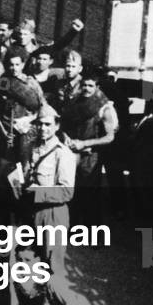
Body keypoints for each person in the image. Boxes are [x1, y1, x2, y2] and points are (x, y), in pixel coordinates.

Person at [20, 105, 76, 276]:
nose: (43, 128)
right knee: (30, 264)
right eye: (40, 124)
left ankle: (55, 293)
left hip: (53, 215)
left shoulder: (63, 153)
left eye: (48, 124)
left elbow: (67, 192)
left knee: (51, 268)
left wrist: (37, 192)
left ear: (57, 126)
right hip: (32, 211)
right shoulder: (31, 148)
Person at [58, 75, 117, 229]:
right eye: (84, 85)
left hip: (91, 156)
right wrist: (66, 138)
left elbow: (110, 137)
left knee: (90, 195)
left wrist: (85, 143)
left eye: (90, 86)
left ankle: (93, 232)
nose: (86, 88)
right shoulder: (74, 103)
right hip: (72, 152)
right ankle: (73, 228)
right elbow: (63, 125)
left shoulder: (104, 108)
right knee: (72, 191)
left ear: (97, 88)